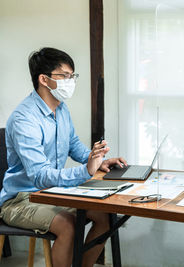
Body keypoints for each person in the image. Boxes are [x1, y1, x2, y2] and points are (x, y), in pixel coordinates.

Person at [0, 47, 127, 267]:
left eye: (72, 76)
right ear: (44, 79)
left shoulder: (61, 109)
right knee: (68, 225)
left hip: (53, 193)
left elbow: (73, 145)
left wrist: (97, 160)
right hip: (20, 200)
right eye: (65, 76)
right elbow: (39, 175)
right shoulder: (24, 119)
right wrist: (86, 170)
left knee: (105, 217)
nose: (71, 82)